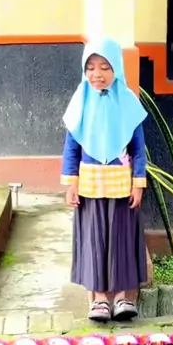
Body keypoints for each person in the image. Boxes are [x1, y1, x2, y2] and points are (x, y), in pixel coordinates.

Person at [61, 37, 148, 322]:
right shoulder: (80, 103)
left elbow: (138, 148)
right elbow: (71, 148)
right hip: (90, 187)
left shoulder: (128, 103)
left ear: (116, 69)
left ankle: (122, 297)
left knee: (121, 238)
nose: (96, 74)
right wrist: (72, 185)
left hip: (122, 186)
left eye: (104, 67)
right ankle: (99, 299)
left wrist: (138, 183)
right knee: (94, 240)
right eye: (90, 67)